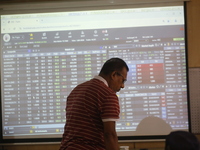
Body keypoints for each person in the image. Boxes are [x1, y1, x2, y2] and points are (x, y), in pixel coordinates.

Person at [59, 58, 129, 150]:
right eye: (123, 80)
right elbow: (110, 135)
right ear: (114, 75)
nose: (122, 86)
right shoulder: (108, 94)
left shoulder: (77, 90)